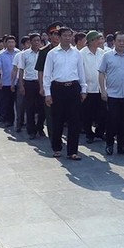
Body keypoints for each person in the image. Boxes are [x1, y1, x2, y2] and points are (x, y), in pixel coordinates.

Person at [43, 27, 88, 160]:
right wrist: (47, 93)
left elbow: (81, 72)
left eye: (70, 35)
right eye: (65, 35)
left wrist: (83, 89)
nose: (68, 38)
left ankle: (72, 151)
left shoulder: (77, 53)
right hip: (57, 88)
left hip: (73, 87)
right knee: (57, 119)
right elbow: (47, 74)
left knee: (75, 120)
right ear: (59, 37)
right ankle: (57, 148)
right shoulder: (52, 53)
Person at [80, 30, 107, 143]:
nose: (98, 41)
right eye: (96, 39)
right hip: (88, 88)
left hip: (101, 88)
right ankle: (89, 134)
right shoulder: (82, 53)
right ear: (90, 41)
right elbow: (80, 71)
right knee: (87, 114)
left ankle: (100, 133)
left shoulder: (102, 53)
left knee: (103, 113)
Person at [0, 35, 19, 128]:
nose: (11, 44)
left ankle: (20, 121)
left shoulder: (19, 53)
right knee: (7, 103)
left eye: (12, 42)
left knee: (19, 103)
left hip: (17, 82)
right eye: (9, 42)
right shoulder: (0, 54)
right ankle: (8, 120)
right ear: (5, 43)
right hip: (5, 82)